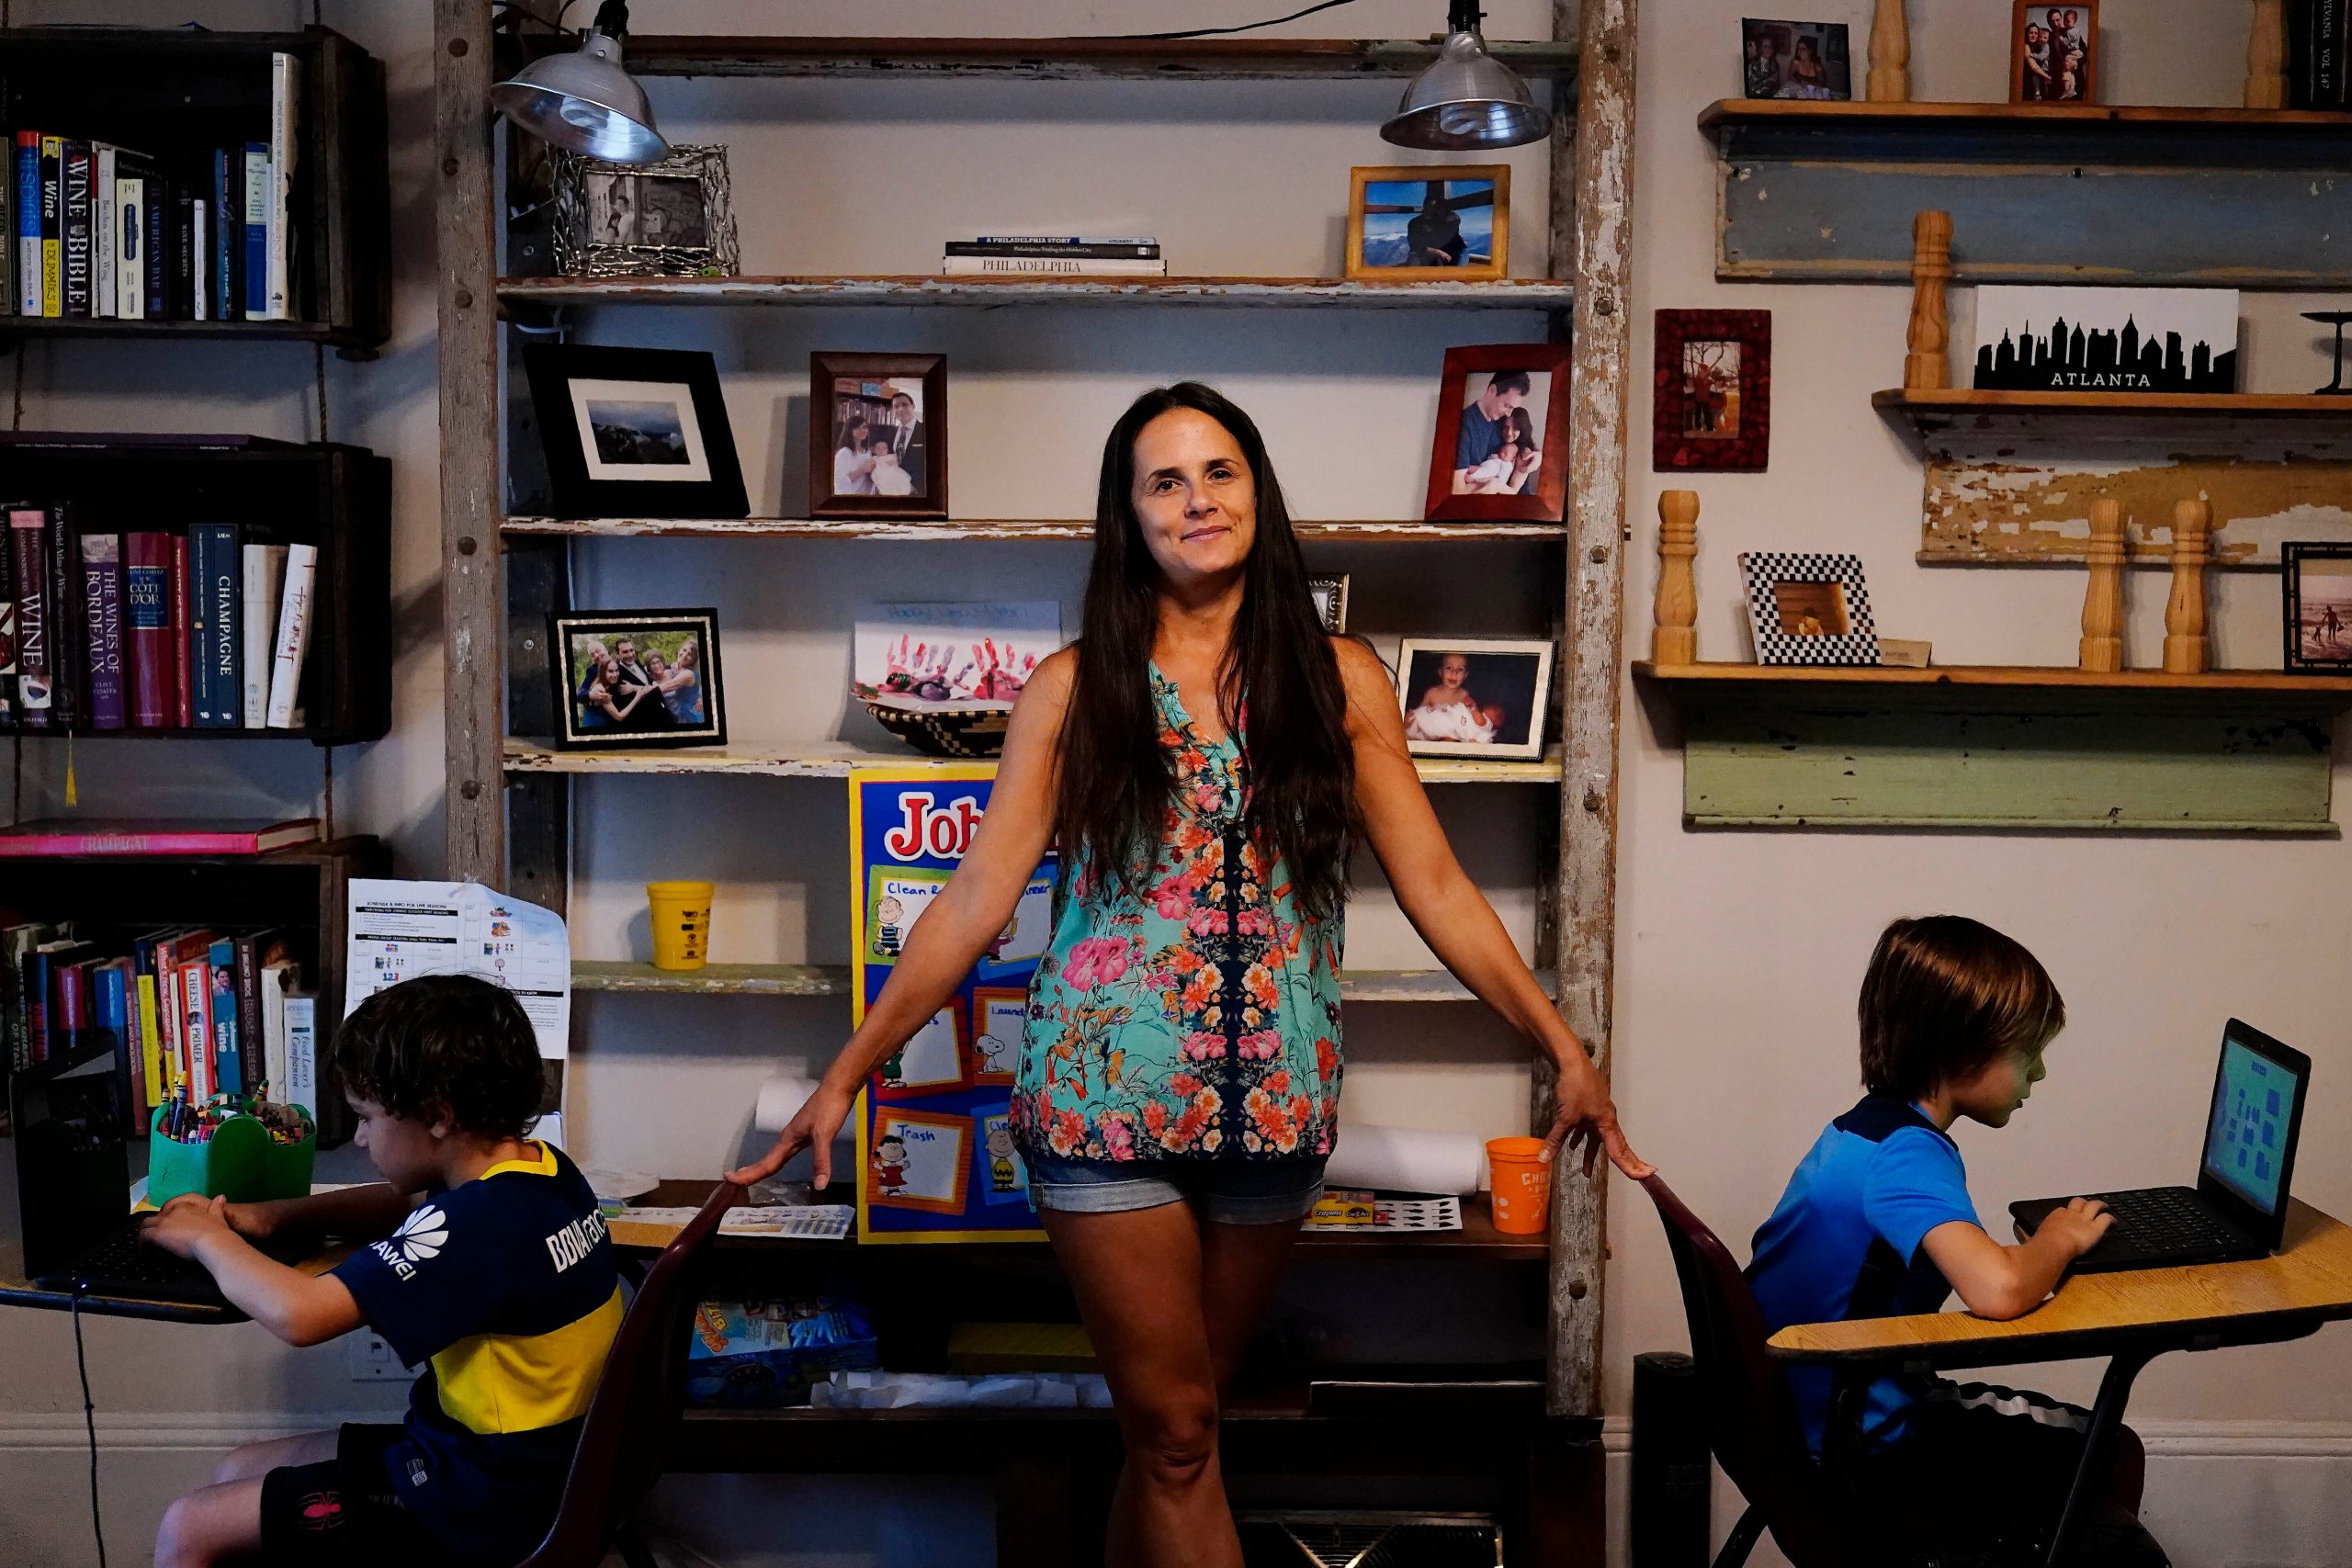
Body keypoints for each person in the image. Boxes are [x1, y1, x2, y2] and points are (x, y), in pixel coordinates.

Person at [729, 381, 1645, 1568]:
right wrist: (846, 1070)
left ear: (1257, 490)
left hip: (1276, 1106)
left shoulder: (1341, 679)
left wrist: (1562, 1044)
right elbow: (973, 898)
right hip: (1102, 1101)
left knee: (1181, 1433)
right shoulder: (1071, 688)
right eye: (1164, 480)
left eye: (1218, 471)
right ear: (1130, 515)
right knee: (1175, 1432)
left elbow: (1439, 886)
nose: (1196, 499)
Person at [143, 976, 616, 1568]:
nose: (362, 1136)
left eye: (367, 1116)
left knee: (188, 1527)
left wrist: (208, 1239)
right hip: (536, 1468)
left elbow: (301, 1315)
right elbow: (415, 1208)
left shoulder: (478, 1227)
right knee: (239, 1468)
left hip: (483, 1502)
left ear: (438, 1116)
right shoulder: (542, 1176)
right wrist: (275, 1217)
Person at [1747, 916, 2167, 1566]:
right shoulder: (1906, 1155)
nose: (2041, 1072)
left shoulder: (1860, 1132)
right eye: (2028, 1051)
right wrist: (2058, 1236)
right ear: (1963, 1052)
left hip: (1802, 1425)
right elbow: (1997, 1289)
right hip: (1858, 1444)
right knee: (2111, 1447)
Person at [1452, 370, 1532, 491]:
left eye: (1512, 408)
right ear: (1492, 390)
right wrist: (1496, 486)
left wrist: (1537, 456)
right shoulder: (1463, 424)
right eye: (1506, 405)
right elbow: (1458, 490)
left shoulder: (1505, 421)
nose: (1508, 413)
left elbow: (1524, 445)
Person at [1404, 651, 1500, 745]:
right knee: (1409, 719)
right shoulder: (1432, 693)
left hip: (1447, 734)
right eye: (1449, 668)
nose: (1454, 673)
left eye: (1460, 669)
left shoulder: (1464, 695)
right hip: (1427, 728)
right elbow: (1421, 713)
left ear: (1466, 675)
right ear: (1440, 672)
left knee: (1450, 739)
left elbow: (1465, 722)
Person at [1458, 407, 1542, 496]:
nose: (1509, 433)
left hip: (1518, 498)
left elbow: (1513, 491)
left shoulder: (1524, 453)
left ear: (1522, 430)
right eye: (1506, 427)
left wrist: (1496, 484)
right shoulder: (1498, 440)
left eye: (1515, 428)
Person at [1402, 186, 1466, 266]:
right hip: (1419, 253)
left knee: (1443, 265)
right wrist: (1437, 251)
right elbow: (1415, 244)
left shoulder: (1439, 220)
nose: (1432, 209)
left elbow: (1456, 219)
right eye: (1430, 206)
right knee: (1414, 265)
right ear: (1425, 206)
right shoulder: (1414, 223)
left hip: (1446, 252)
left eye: (1435, 207)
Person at [886, 388, 928, 485]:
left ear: (913, 406)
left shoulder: (925, 431)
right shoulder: (890, 432)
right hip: (893, 487)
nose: (900, 409)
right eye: (896, 406)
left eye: (904, 405)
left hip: (918, 490)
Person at [833, 416, 877, 497]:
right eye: (857, 427)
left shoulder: (868, 452)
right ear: (849, 430)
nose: (862, 430)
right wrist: (863, 470)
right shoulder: (844, 453)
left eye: (864, 427)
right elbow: (839, 483)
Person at [1746, 29, 1784, 97]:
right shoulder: (1752, 64)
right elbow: (1750, 88)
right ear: (1760, 48)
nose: (1769, 49)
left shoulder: (1775, 64)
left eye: (1771, 46)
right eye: (1765, 46)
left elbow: (1777, 86)